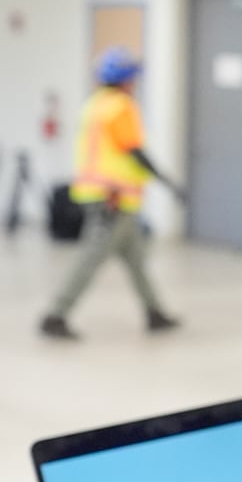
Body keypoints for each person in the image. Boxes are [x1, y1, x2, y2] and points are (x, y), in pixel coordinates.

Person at [40, 47, 184, 340]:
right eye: (133, 78)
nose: (136, 84)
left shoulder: (95, 104)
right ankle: (55, 315)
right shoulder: (121, 106)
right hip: (112, 200)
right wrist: (166, 181)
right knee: (90, 258)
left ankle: (154, 313)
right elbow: (134, 150)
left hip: (108, 198)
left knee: (136, 261)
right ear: (125, 80)